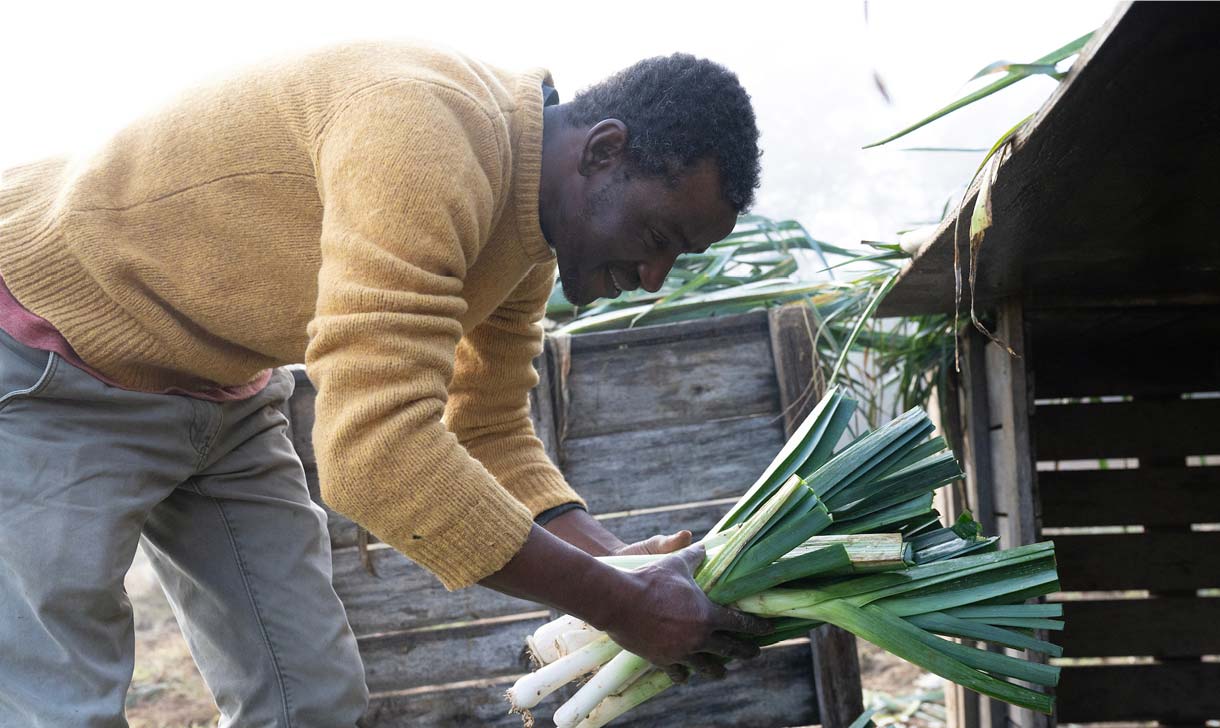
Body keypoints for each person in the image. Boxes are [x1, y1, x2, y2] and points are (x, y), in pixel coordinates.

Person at [0, 41, 770, 727]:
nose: (653, 278)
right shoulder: (424, 133)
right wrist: (618, 603)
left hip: (219, 389)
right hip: (54, 359)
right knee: (64, 704)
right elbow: (375, 457)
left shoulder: (532, 234)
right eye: (658, 238)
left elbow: (489, 427)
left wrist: (619, 565)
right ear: (603, 153)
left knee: (313, 698)